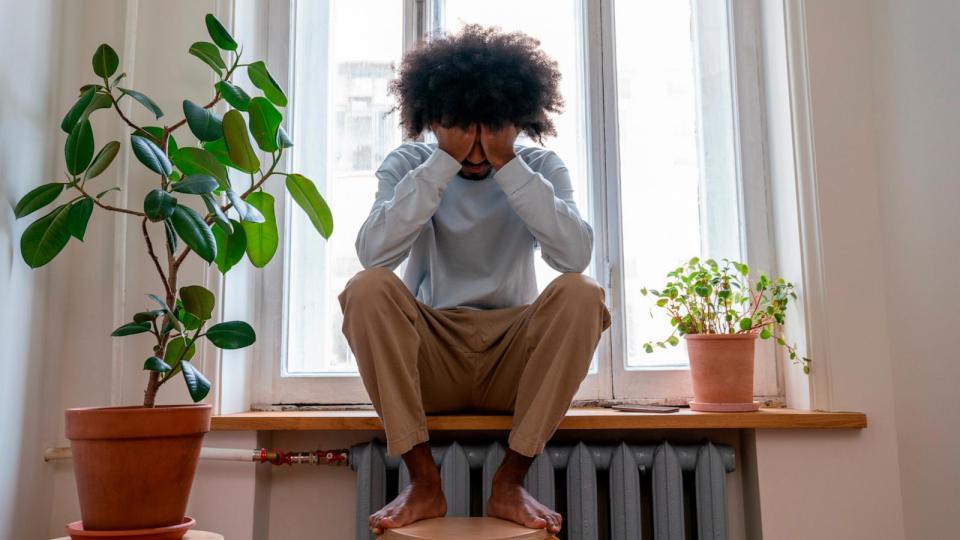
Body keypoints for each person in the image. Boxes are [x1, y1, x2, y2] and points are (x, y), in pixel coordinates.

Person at [338, 24, 611, 536]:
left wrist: (511, 166)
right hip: (432, 356)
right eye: (463, 129)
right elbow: (374, 253)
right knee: (366, 288)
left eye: (493, 129)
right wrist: (441, 162)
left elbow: (574, 256)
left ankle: (511, 481)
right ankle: (424, 482)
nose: (478, 148)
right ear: (435, 119)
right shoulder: (410, 164)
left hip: (514, 357)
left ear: (518, 118)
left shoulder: (540, 167)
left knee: (584, 293)